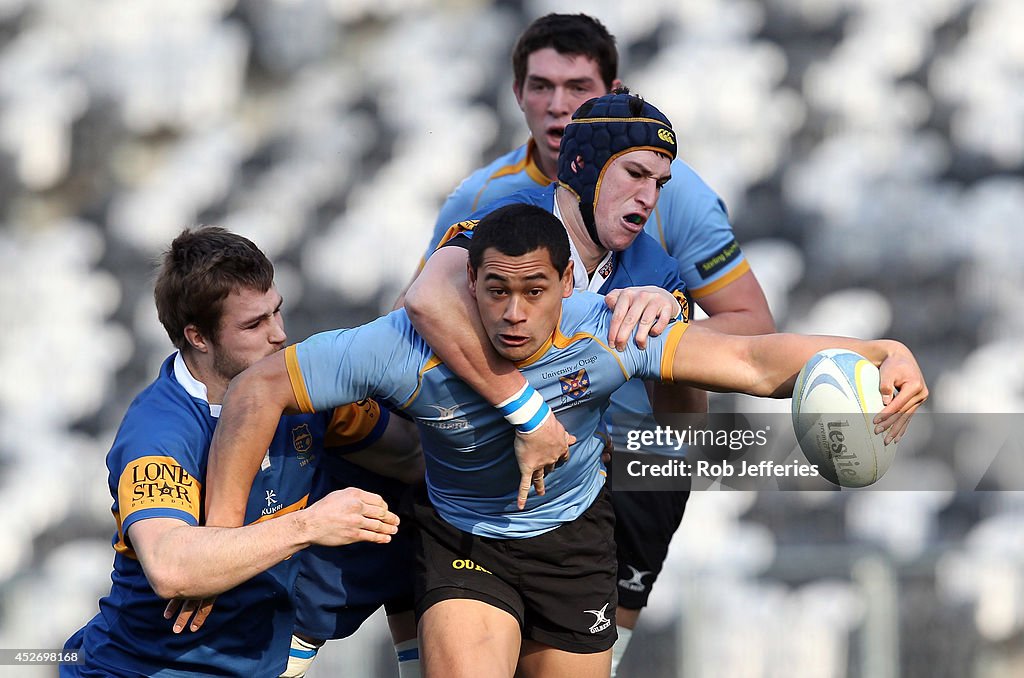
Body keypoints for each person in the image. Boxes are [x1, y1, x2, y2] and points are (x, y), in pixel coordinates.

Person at [204, 205, 927, 678]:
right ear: (472, 285)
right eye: (495, 290)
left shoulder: (605, 332)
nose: (514, 313)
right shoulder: (397, 346)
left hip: (576, 545)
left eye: (534, 290)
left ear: (566, 285)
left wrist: (881, 349)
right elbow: (256, 389)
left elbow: (754, 361)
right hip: (466, 540)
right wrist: (222, 545)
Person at [406, 62, 774, 668]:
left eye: (660, 182)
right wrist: (522, 409)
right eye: (635, 174)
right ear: (584, 167)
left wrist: (671, 331)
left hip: (601, 497)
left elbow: (684, 426)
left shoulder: (658, 270)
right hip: (477, 495)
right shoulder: (505, 222)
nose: (650, 197)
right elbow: (419, 305)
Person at [61, 227, 411, 678]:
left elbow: (411, 458)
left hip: (249, 663)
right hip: (145, 668)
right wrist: (309, 524)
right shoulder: (160, 432)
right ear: (198, 337)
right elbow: (171, 566)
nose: (279, 335)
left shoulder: (302, 387)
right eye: (254, 324)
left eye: (277, 312)